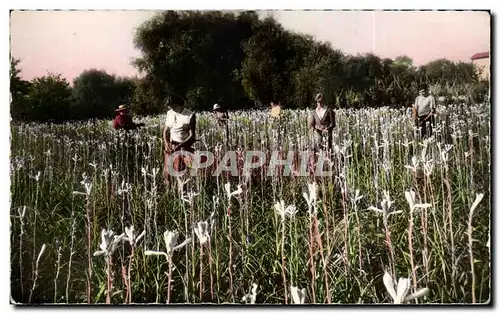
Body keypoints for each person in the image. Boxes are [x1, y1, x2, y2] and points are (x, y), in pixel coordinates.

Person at [163, 95, 197, 176]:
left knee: (180, 171)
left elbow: (192, 136)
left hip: (183, 146)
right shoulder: (170, 113)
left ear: (179, 104)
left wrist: (180, 146)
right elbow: (166, 130)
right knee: (167, 171)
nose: (172, 109)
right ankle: (169, 187)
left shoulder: (190, 115)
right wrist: (166, 142)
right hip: (171, 145)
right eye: (170, 107)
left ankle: (181, 188)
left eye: (173, 106)